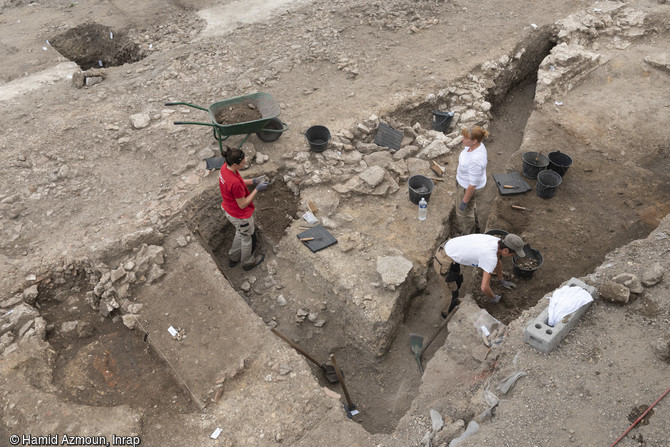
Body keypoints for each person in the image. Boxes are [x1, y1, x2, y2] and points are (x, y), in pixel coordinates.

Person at [433, 233, 526, 317]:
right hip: (444, 259)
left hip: (450, 250)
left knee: (458, 280)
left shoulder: (496, 242)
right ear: (505, 250)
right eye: (512, 254)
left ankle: (454, 302)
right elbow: (484, 287)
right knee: (451, 292)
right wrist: (493, 297)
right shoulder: (490, 256)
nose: (512, 257)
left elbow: (498, 263)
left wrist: (502, 280)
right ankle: (446, 313)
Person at [219, 146, 269, 271]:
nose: (245, 162)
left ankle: (233, 258)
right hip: (240, 215)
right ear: (235, 164)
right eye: (243, 161)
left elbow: (238, 181)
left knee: (240, 233)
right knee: (247, 238)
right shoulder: (234, 184)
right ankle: (247, 262)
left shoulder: (225, 168)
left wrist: (253, 181)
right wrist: (257, 189)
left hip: (229, 209)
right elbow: (242, 204)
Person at [456, 126, 489, 235]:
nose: (462, 140)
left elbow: (472, 185)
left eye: (465, 138)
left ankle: (469, 235)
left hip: (467, 188)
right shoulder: (477, 146)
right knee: (470, 209)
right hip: (464, 182)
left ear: (474, 141)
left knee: (464, 214)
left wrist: (464, 202)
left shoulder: (475, 160)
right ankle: (476, 228)